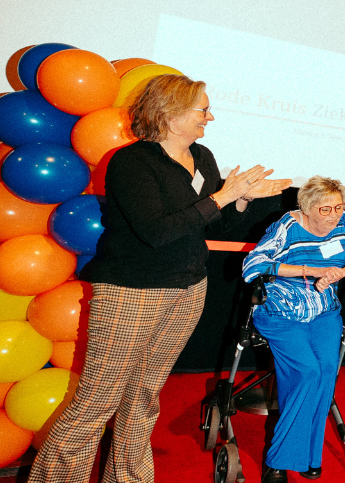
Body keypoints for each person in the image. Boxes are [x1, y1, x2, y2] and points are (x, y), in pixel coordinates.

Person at [32, 74, 289, 483]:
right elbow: (157, 231)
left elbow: (211, 226)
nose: (210, 117)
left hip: (189, 289)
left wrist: (240, 199)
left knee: (143, 396)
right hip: (131, 292)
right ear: (170, 114)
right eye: (202, 110)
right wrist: (222, 195)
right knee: (97, 402)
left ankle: (129, 478)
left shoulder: (202, 156)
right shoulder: (131, 162)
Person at [242, 176, 345, 482]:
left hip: (323, 313)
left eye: (339, 206)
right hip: (282, 312)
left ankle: (310, 454)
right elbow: (252, 266)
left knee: (325, 372)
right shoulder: (287, 225)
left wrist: (342, 272)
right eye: (325, 209)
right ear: (307, 208)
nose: (334, 215)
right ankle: (278, 459)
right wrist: (309, 270)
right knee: (307, 371)